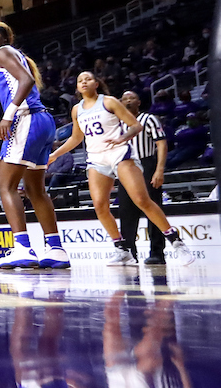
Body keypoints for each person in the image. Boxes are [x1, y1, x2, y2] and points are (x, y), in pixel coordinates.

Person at [48, 72, 194, 266]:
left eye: (88, 79)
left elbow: (135, 126)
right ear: (77, 87)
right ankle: (122, 249)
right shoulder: (76, 109)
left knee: (142, 199)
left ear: (96, 84)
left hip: (119, 153)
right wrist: (55, 154)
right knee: (99, 206)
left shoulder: (109, 102)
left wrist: (121, 138)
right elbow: (76, 138)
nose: (84, 82)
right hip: (96, 159)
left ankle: (176, 241)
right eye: (80, 80)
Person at [0, 22, 70, 269]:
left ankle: (22, 247)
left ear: (5, 37)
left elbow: (27, 79)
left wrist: (8, 114)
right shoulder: (15, 55)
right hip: (43, 122)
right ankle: (55, 249)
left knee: (5, 185)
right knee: (36, 190)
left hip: (25, 119)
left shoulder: (4, 52)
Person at [117, 91, 168, 264]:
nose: (128, 101)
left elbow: (161, 144)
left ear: (139, 101)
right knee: (126, 212)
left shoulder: (149, 119)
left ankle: (157, 253)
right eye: (125, 99)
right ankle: (130, 253)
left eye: (132, 98)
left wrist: (159, 170)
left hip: (147, 165)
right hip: (125, 167)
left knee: (152, 210)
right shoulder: (118, 124)